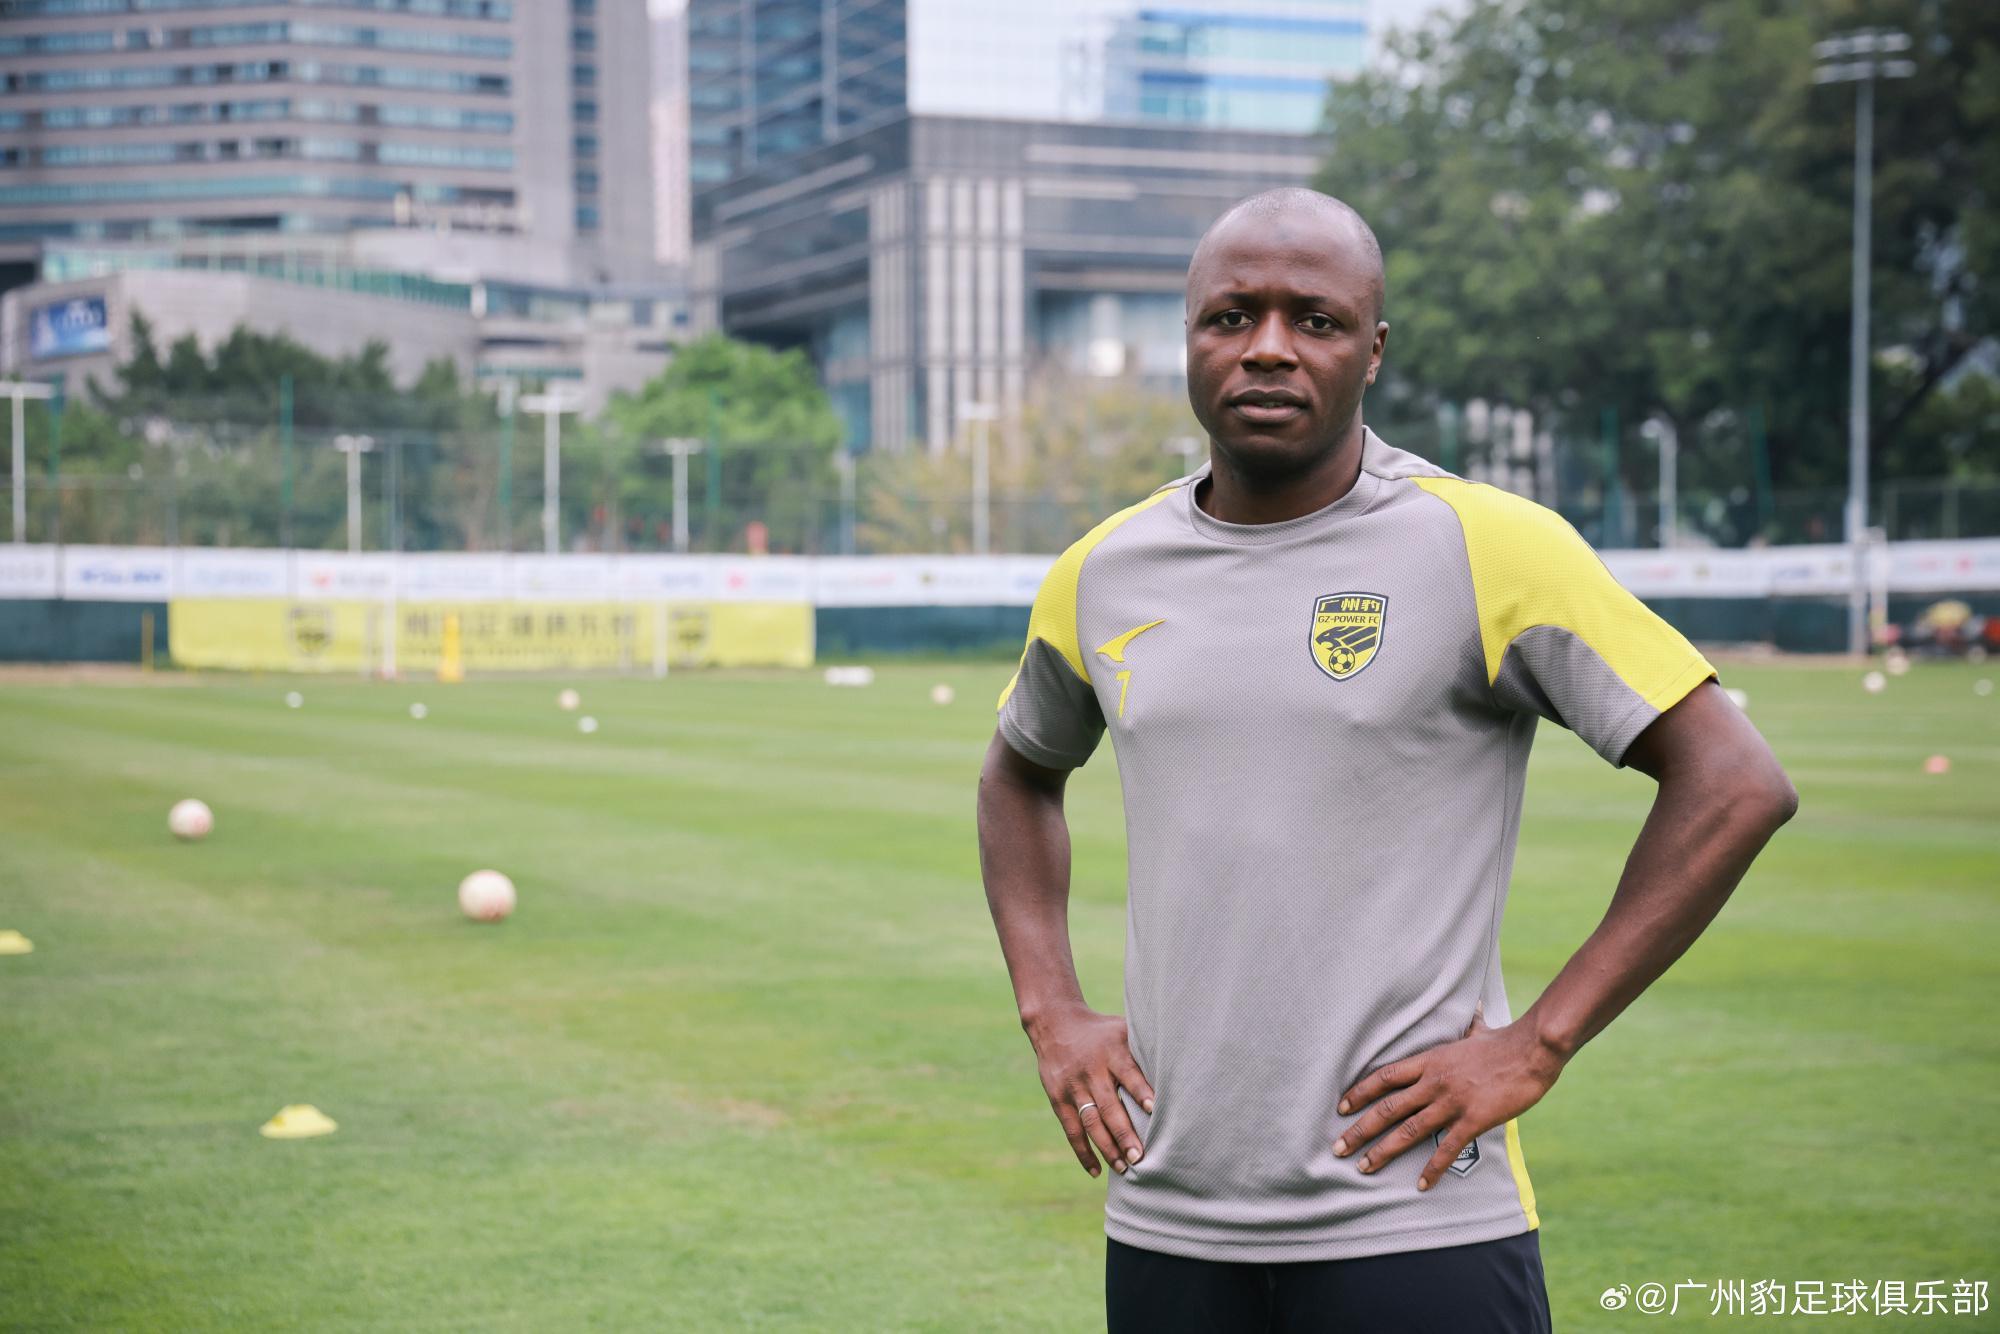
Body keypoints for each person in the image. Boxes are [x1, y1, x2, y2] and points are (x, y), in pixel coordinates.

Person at [975, 187, 1798, 1332]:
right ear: (1188, 339)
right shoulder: (1102, 570)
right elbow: (1017, 771)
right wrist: (1050, 1011)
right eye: (1230, 316)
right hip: (1165, 1216)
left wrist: (1538, 1041)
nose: (1268, 347)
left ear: (1371, 350)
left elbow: (1734, 781)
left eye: (1313, 319)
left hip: (1414, 1218)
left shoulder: (1483, 543)